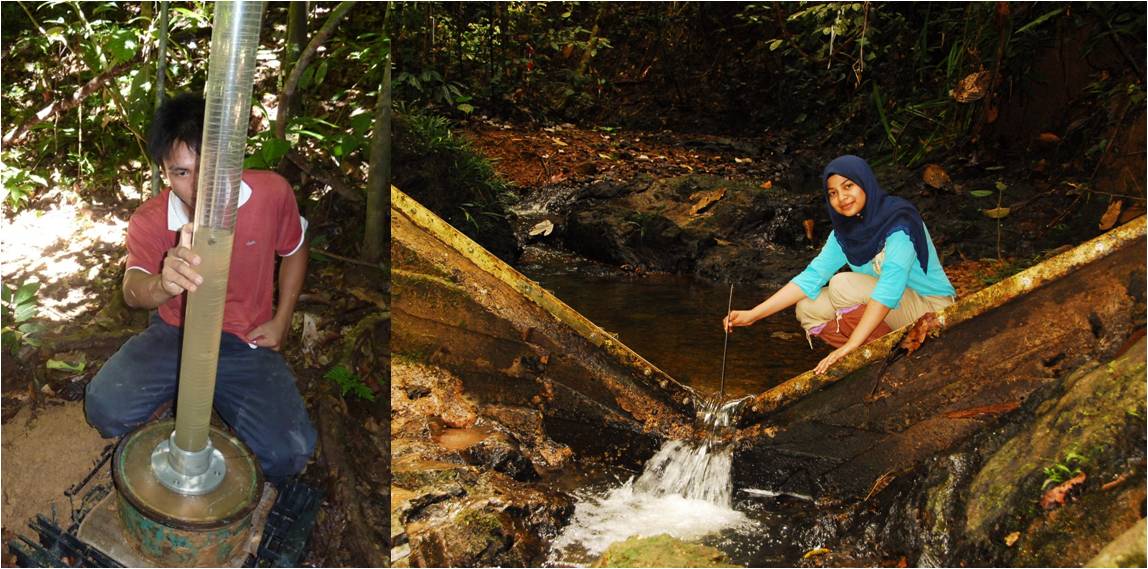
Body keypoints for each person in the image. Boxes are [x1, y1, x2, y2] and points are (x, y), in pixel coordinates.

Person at [85, 93, 317, 481]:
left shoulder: (271, 193)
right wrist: (164, 282)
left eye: (207, 167)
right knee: (105, 410)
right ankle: (166, 398)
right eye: (181, 172)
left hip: (245, 340)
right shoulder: (149, 219)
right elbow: (132, 289)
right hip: (173, 333)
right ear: (163, 171)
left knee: (288, 455)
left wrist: (282, 319)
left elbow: (295, 247)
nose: (197, 186)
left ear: (228, 157)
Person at [723, 155, 956, 375]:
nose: (841, 198)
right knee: (807, 308)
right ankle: (879, 353)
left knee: (841, 285)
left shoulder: (900, 221)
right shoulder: (844, 233)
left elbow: (890, 287)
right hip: (894, 311)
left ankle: (863, 348)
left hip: (930, 310)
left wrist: (850, 345)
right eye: (832, 193)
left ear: (865, 183)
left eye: (848, 186)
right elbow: (811, 277)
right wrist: (754, 314)